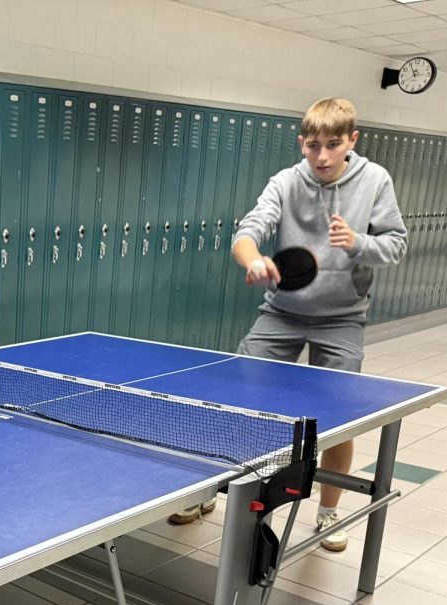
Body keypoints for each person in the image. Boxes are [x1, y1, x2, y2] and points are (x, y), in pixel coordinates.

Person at [170, 97, 407, 552]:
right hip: (281, 312)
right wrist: (253, 259)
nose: (321, 156)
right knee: (234, 399)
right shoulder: (285, 181)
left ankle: (328, 511)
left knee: (336, 420)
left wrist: (359, 243)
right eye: (313, 145)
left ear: (351, 141)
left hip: (342, 317)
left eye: (333, 145)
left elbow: (396, 244)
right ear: (302, 142)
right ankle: (209, 493)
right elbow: (248, 230)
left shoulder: (375, 180)